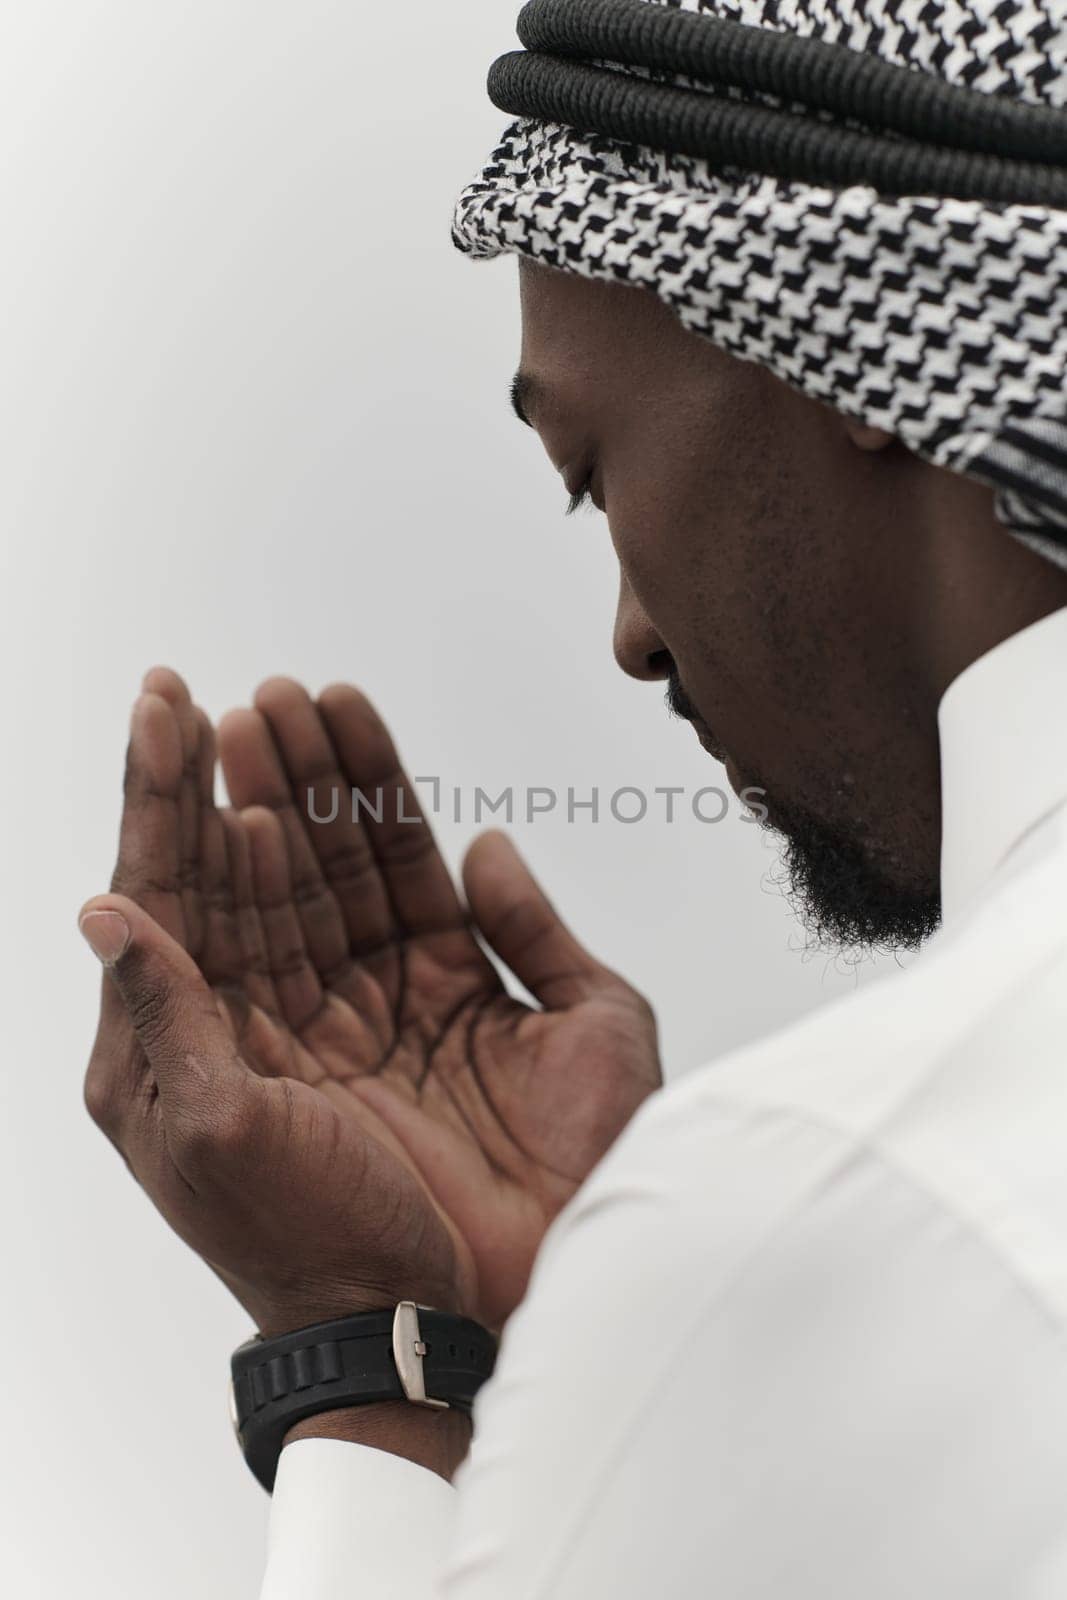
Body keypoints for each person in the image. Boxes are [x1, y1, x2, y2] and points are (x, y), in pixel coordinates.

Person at [79, 2, 1067, 1595]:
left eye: (591, 470)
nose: (632, 636)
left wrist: (377, 1366)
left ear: (848, 328)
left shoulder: (829, 1200)